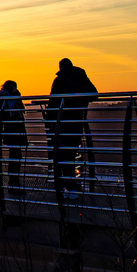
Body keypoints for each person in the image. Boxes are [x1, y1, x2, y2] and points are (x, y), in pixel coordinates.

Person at [49, 58, 99, 196]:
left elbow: (53, 101)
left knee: (63, 153)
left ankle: (68, 186)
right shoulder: (82, 76)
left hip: (63, 121)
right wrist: (80, 100)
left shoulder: (60, 79)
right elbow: (94, 94)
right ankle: (72, 185)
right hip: (78, 119)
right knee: (71, 152)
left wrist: (50, 117)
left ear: (61, 67)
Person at [0, 80, 27, 206]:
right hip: (12, 130)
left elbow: (22, 109)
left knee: (16, 156)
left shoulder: (14, 98)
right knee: (15, 157)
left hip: (17, 129)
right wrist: (10, 96)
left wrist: (17, 96)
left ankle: (14, 182)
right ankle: (13, 183)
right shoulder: (3, 98)